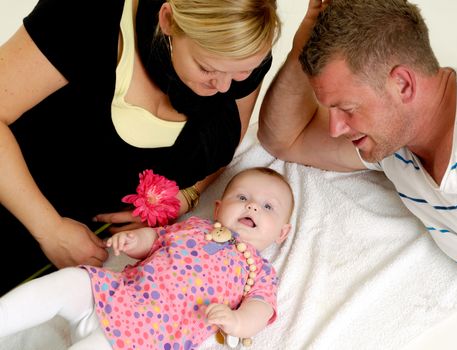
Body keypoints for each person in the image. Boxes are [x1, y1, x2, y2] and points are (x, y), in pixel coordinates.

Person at [258, 0, 457, 323]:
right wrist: (303, 45)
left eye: (348, 109)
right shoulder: (394, 147)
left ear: (402, 84)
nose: (335, 127)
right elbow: (284, 139)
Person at [0, 0, 281, 295]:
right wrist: (50, 230)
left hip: (89, 260)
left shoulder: (242, 49)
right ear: (168, 20)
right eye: (207, 68)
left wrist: (188, 192)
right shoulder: (84, 16)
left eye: (240, 74)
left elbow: (225, 139)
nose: (224, 87)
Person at [0, 167, 294, 349]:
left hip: (144, 336)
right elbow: (156, 239)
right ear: (217, 209)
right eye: (242, 198)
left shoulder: (258, 269)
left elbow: (261, 306)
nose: (253, 206)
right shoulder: (194, 227)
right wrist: (133, 240)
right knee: (70, 281)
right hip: (113, 292)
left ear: (282, 233)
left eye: (268, 207)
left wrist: (238, 321)